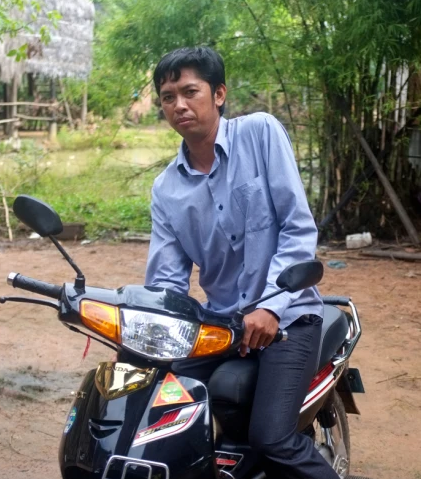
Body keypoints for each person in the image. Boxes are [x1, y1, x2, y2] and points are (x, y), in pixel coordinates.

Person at [144, 47, 339, 479]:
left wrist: (270, 305)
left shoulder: (260, 133)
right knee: (151, 411)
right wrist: (150, 327)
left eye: (190, 91)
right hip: (221, 326)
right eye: (167, 96)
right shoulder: (166, 189)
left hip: (287, 319)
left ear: (218, 94)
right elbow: (166, 281)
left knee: (272, 440)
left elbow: (297, 226)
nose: (178, 105)